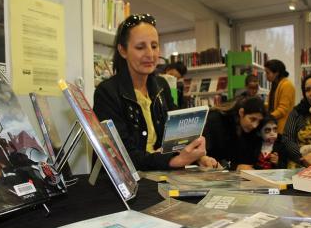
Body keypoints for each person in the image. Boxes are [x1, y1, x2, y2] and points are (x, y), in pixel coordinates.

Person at [93, 14, 218, 171]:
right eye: (140, 47)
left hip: (162, 176)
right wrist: (172, 161)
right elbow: (120, 156)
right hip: (132, 183)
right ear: (123, 50)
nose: (150, 54)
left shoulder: (161, 86)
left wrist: (200, 157)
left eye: (154, 46)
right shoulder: (107, 92)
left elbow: (176, 138)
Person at [203, 96, 266, 171]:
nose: (255, 125)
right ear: (241, 112)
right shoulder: (216, 121)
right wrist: (235, 167)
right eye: (252, 119)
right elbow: (209, 156)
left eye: (259, 121)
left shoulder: (254, 130)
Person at [283, 72, 311, 168]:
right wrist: (304, 158)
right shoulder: (296, 112)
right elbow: (287, 139)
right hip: (299, 164)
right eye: (307, 90)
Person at [264, 59, 295, 134]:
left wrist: (268, 118)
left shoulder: (286, 85)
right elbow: (270, 105)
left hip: (283, 129)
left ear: (276, 73)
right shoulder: (275, 85)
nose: (266, 75)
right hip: (275, 127)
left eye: (268, 73)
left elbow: (283, 109)